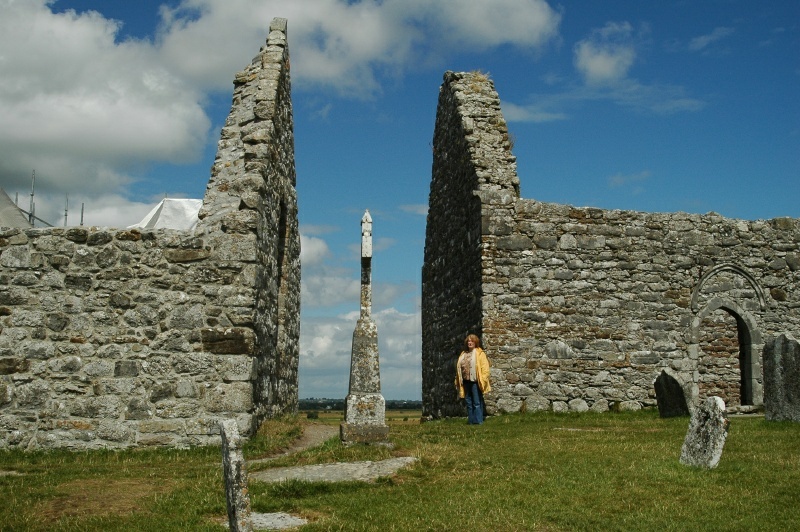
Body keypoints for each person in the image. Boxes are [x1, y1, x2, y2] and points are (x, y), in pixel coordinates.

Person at [455, 334, 491, 424]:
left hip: (475, 381)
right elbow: (459, 368)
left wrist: (483, 379)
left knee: (477, 402)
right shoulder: (463, 354)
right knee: (468, 402)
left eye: (472, 341)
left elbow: (485, 368)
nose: (470, 342)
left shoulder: (479, 353)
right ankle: (471, 422)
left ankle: (478, 421)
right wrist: (457, 380)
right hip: (466, 382)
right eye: (468, 341)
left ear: (476, 342)